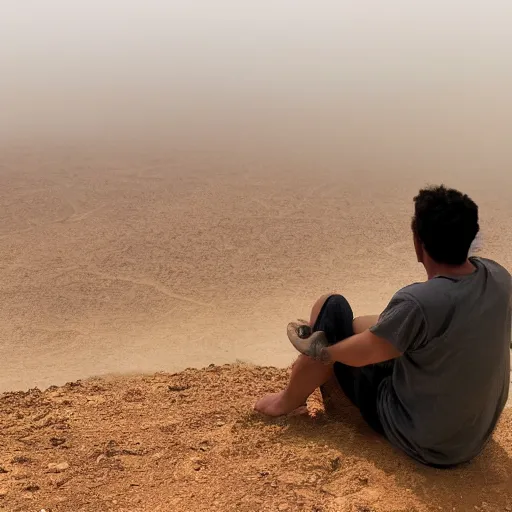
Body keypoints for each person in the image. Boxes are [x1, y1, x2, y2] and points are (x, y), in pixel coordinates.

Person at [255, 185, 511, 467]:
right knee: (364, 325)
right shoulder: (498, 278)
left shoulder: (418, 302)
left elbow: (362, 353)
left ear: (418, 243)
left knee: (331, 308)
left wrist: (319, 350)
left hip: (424, 440)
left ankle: (287, 401)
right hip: (471, 438)